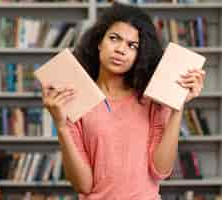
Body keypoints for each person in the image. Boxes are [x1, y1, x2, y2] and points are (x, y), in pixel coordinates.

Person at [41, 2, 206, 200]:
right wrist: (61, 125)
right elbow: (83, 185)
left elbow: (161, 170)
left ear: (140, 54)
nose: (121, 49)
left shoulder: (152, 100)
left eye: (132, 45)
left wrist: (177, 105)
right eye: (114, 38)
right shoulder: (76, 98)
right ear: (99, 42)